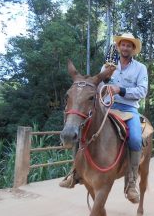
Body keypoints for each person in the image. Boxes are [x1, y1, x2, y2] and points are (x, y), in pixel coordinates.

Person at [60, 33, 148, 204]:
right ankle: (75, 172)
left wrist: (120, 90)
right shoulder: (107, 66)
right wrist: (103, 82)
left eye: (129, 45)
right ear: (118, 47)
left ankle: (130, 183)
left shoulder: (140, 68)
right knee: (83, 127)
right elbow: (96, 87)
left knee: (136, 139)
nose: (125, 48)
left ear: (133, 49)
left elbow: (143, 91)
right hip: (107, 107)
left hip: (129, 109)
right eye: (122, 45)